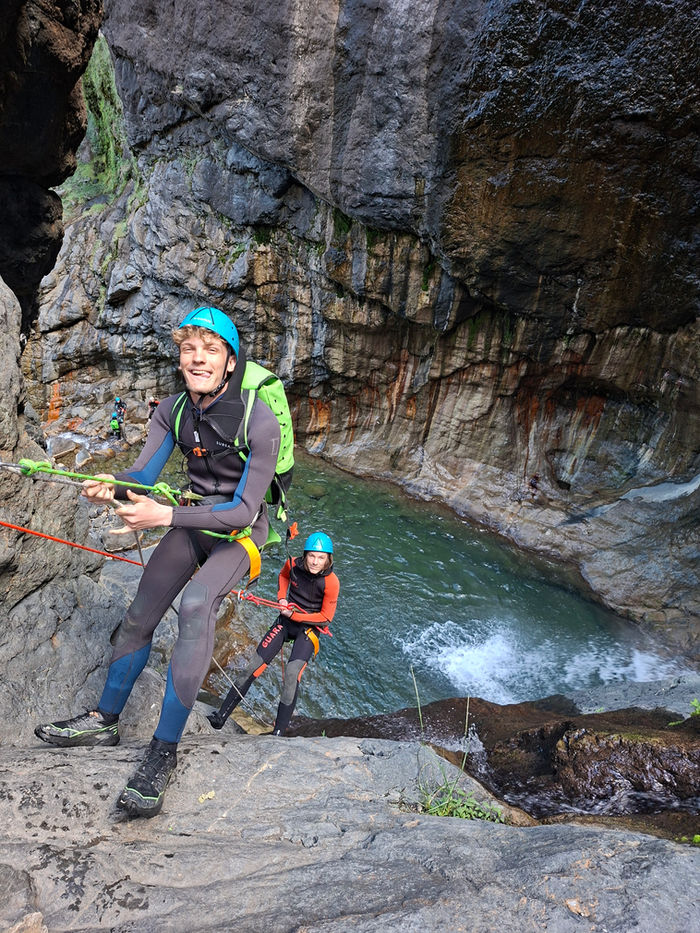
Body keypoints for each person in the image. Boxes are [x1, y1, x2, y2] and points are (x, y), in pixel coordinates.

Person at [35, 306, 281, 818]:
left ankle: (162, 754)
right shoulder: (172, 409)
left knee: (196, 605)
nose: (197, 358)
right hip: (192, 517)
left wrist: (162, 515)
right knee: (139, 615)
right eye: (189, 349)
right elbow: (144, 470)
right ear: (179, 358)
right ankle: (105, 719)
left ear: (230, 362)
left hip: (242, 534)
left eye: (210, 350)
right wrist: (113, 486)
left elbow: (241, 510)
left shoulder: (258, 417)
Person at [207, 532, 339, 735]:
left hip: (309, 627)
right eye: (312, 556)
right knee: (253, 666)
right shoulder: (293, 565)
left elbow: (325, 618)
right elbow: (283, 576)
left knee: (292, 674)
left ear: (328, 559)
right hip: (286, 620)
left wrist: (294, 616)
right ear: (305, 555)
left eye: (320, 558)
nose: (314, 561)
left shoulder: (331, 582)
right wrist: (281, 599)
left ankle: (278, 733)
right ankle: (220, 717)